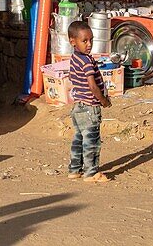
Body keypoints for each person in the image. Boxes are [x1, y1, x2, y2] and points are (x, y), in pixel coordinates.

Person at [66, 19, 112, 183]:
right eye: (84, 41)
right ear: (73, 41)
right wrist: (103, 100)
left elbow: (72, 77)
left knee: (79, 138)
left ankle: (74, 169)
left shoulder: (75, 58)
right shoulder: (86, 61)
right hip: (90, 107)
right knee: (91, 141)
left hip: (78, 106)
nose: (89, 44)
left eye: (91, 40)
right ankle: (91, 172)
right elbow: (92, 85)